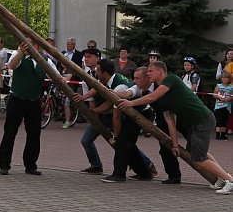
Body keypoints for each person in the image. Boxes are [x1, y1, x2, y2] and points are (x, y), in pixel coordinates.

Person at [120, 60, 233, 194]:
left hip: (202, 120)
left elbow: (152, 97)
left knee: (198, 158)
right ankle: (223, 178)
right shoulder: (163, 98)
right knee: (198, 154)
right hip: (194, 123)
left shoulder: (171, 79)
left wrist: (130, 103)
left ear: (160, 71)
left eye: (150, 71)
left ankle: (229, 180)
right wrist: (174, 145)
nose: (148, 73)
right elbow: (170, 121)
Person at [97, 62, 154, 183]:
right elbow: (127, 93)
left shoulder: (157, 86)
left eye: (137, 78)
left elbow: (117, 116)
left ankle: (119, 174)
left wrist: (117, 136)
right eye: (134, 78)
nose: (134, 81)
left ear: (146, 78)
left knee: (123, 143)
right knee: (128, 144)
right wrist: (113, 93)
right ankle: (144, 173)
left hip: (145, 113)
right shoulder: (137, 87)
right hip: (135, 114)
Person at [0, 42, 45, 175]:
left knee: (34, 134)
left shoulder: (44, 60)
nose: (28, 46)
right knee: (10, 132)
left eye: (31, 44)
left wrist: (64, 78)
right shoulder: (17, 55)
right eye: (25, 43)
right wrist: (21, 52)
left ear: (37, 46)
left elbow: (55, 74)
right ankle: (4, 164)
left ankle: (31, 165)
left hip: (34, 101)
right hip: (17, 99)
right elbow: (12, 65)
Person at [72, 48, 105, 174]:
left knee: (121, 142)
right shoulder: (85, 75)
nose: (86, 59)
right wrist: (93, 115)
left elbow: (99, 87)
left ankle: (146, 164)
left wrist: (83, 97)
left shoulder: (103, 71)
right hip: (99, 112)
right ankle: (96, 165)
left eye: (89, 56)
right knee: (86, 140)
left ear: (98, 58)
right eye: (85, 57)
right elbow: (90, 99)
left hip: (112, 111)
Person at [211, 72, 233, 140]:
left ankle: (223, 134)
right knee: (219, 120)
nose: (224, 79)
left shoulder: (231, 87)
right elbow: (214, 95)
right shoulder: (219, 86)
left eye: (226, 78)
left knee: (224, 120)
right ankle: (218, 134)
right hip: (219, 106)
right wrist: (220, 98)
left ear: (229, 79)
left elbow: (232, 96)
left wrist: (228, 99)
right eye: (223, 77)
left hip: (227, 106)